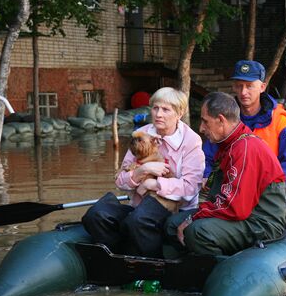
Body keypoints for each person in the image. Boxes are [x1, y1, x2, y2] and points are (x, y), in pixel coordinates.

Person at [82, 87, 205, 258]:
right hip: (139, 205)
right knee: (95, 215)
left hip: (175, 209)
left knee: (138, 220)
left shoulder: (191, 141)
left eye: (165, 109)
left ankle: (154, 266)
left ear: (180, 113)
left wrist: (153, 183)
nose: (158, 114)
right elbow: (120, 180)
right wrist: (142, 170)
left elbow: (190, 188)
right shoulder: (142, 134)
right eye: (155, 108)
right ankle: (119, 257)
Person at [165, 92, 286, 256]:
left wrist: (192, 219)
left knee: (197, 231)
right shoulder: (229, 145)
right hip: (242, 216)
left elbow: (236, 209)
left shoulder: (244, 149)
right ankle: (179, 270)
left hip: (261, 222)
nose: (201, 128)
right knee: (172, 224)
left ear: (221, 120)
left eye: (205, 121)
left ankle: (218, 273)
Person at [203, 60, 286, 190]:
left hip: (269, 190)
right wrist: (206, 176)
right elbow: (207, 157)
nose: (243, 92)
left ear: (262, 87)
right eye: (239, 86)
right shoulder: (224, 120)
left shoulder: (280, 122)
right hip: (230, 188)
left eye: (249, 86)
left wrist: (267, 187)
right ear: (233, 87)